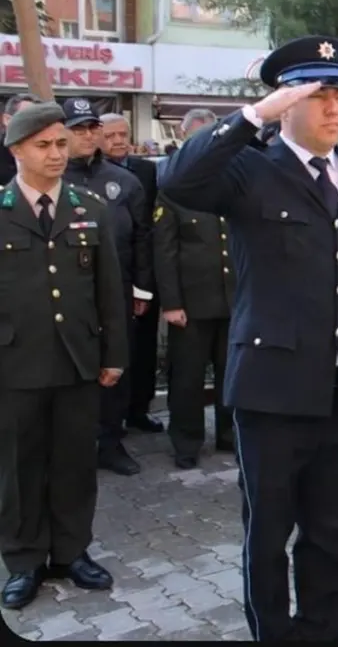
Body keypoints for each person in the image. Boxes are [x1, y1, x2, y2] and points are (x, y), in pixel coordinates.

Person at [160, 35, 338, 642]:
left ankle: (323, 631)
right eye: (316, 95)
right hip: (271, 390)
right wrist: (253, 115)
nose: (333, 107)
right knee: (268, 533)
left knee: (332, 530)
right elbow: (177, 180)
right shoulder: (250, 169)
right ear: (286, 102)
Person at [0, 102, 129, 610]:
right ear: (16, 150)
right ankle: (24, 559)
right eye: (43, 145)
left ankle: (72, 551)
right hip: (15, 363)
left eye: (60, 143)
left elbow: (109, 291)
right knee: (19, 467)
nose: (56, 154)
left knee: (75, 462)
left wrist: (114, 354)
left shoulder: (88, 208)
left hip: (78, 359)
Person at [61, 99, 154, 477]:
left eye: (91, 128)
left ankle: (111, 444)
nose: (87, 136)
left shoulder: (124, 181)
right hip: (67, 293)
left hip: (118, 289)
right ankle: (73, 447)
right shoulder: (52, 179)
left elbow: (143, 237)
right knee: (70, 370)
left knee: (116, 367)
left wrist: (142, 290)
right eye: (78, 129)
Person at [153, 111, 237, 469]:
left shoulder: (232, 183)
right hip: (191, 303)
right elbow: (164, 251)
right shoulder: (174, 189)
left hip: (233, 300)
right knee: (187, 378)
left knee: (231, 374)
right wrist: (171, 302)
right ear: (185, 138)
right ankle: (186, 442)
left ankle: (229, 434)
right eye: (198, 139)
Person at [101, 113, 164, 434]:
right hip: (110, 275)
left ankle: (139, 410)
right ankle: (112, 419)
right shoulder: (90, 173)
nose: (118, 141)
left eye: (122, 134)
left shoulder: (147, 170)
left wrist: (146, 282)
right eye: (110, 135)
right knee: (113, 349)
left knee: (144, 348)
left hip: (144, 272)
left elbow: (151, 226)